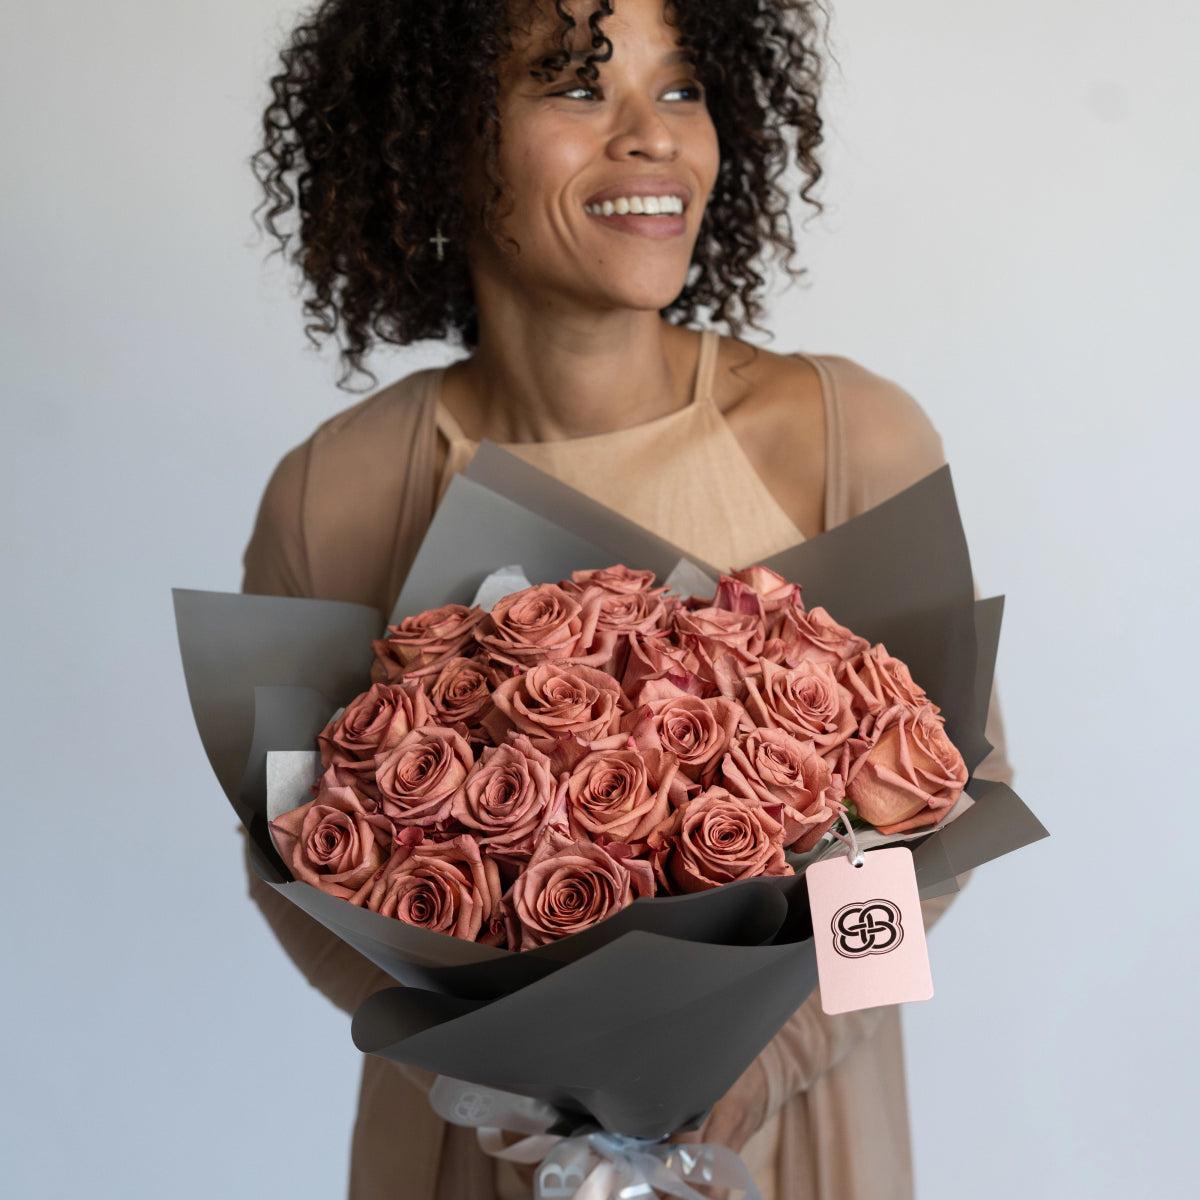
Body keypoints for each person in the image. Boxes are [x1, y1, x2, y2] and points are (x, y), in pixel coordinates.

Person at [241, 1, 1013, 1197]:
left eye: (684, 86)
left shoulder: (847, 437)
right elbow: (293, 857)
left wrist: (760, 1072)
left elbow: (943, 834)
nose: (654, 134)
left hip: (783, 1143)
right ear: (444, 134)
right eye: (577, 84)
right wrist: (486, 1083)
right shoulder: (335, 492)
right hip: (480, 1154)